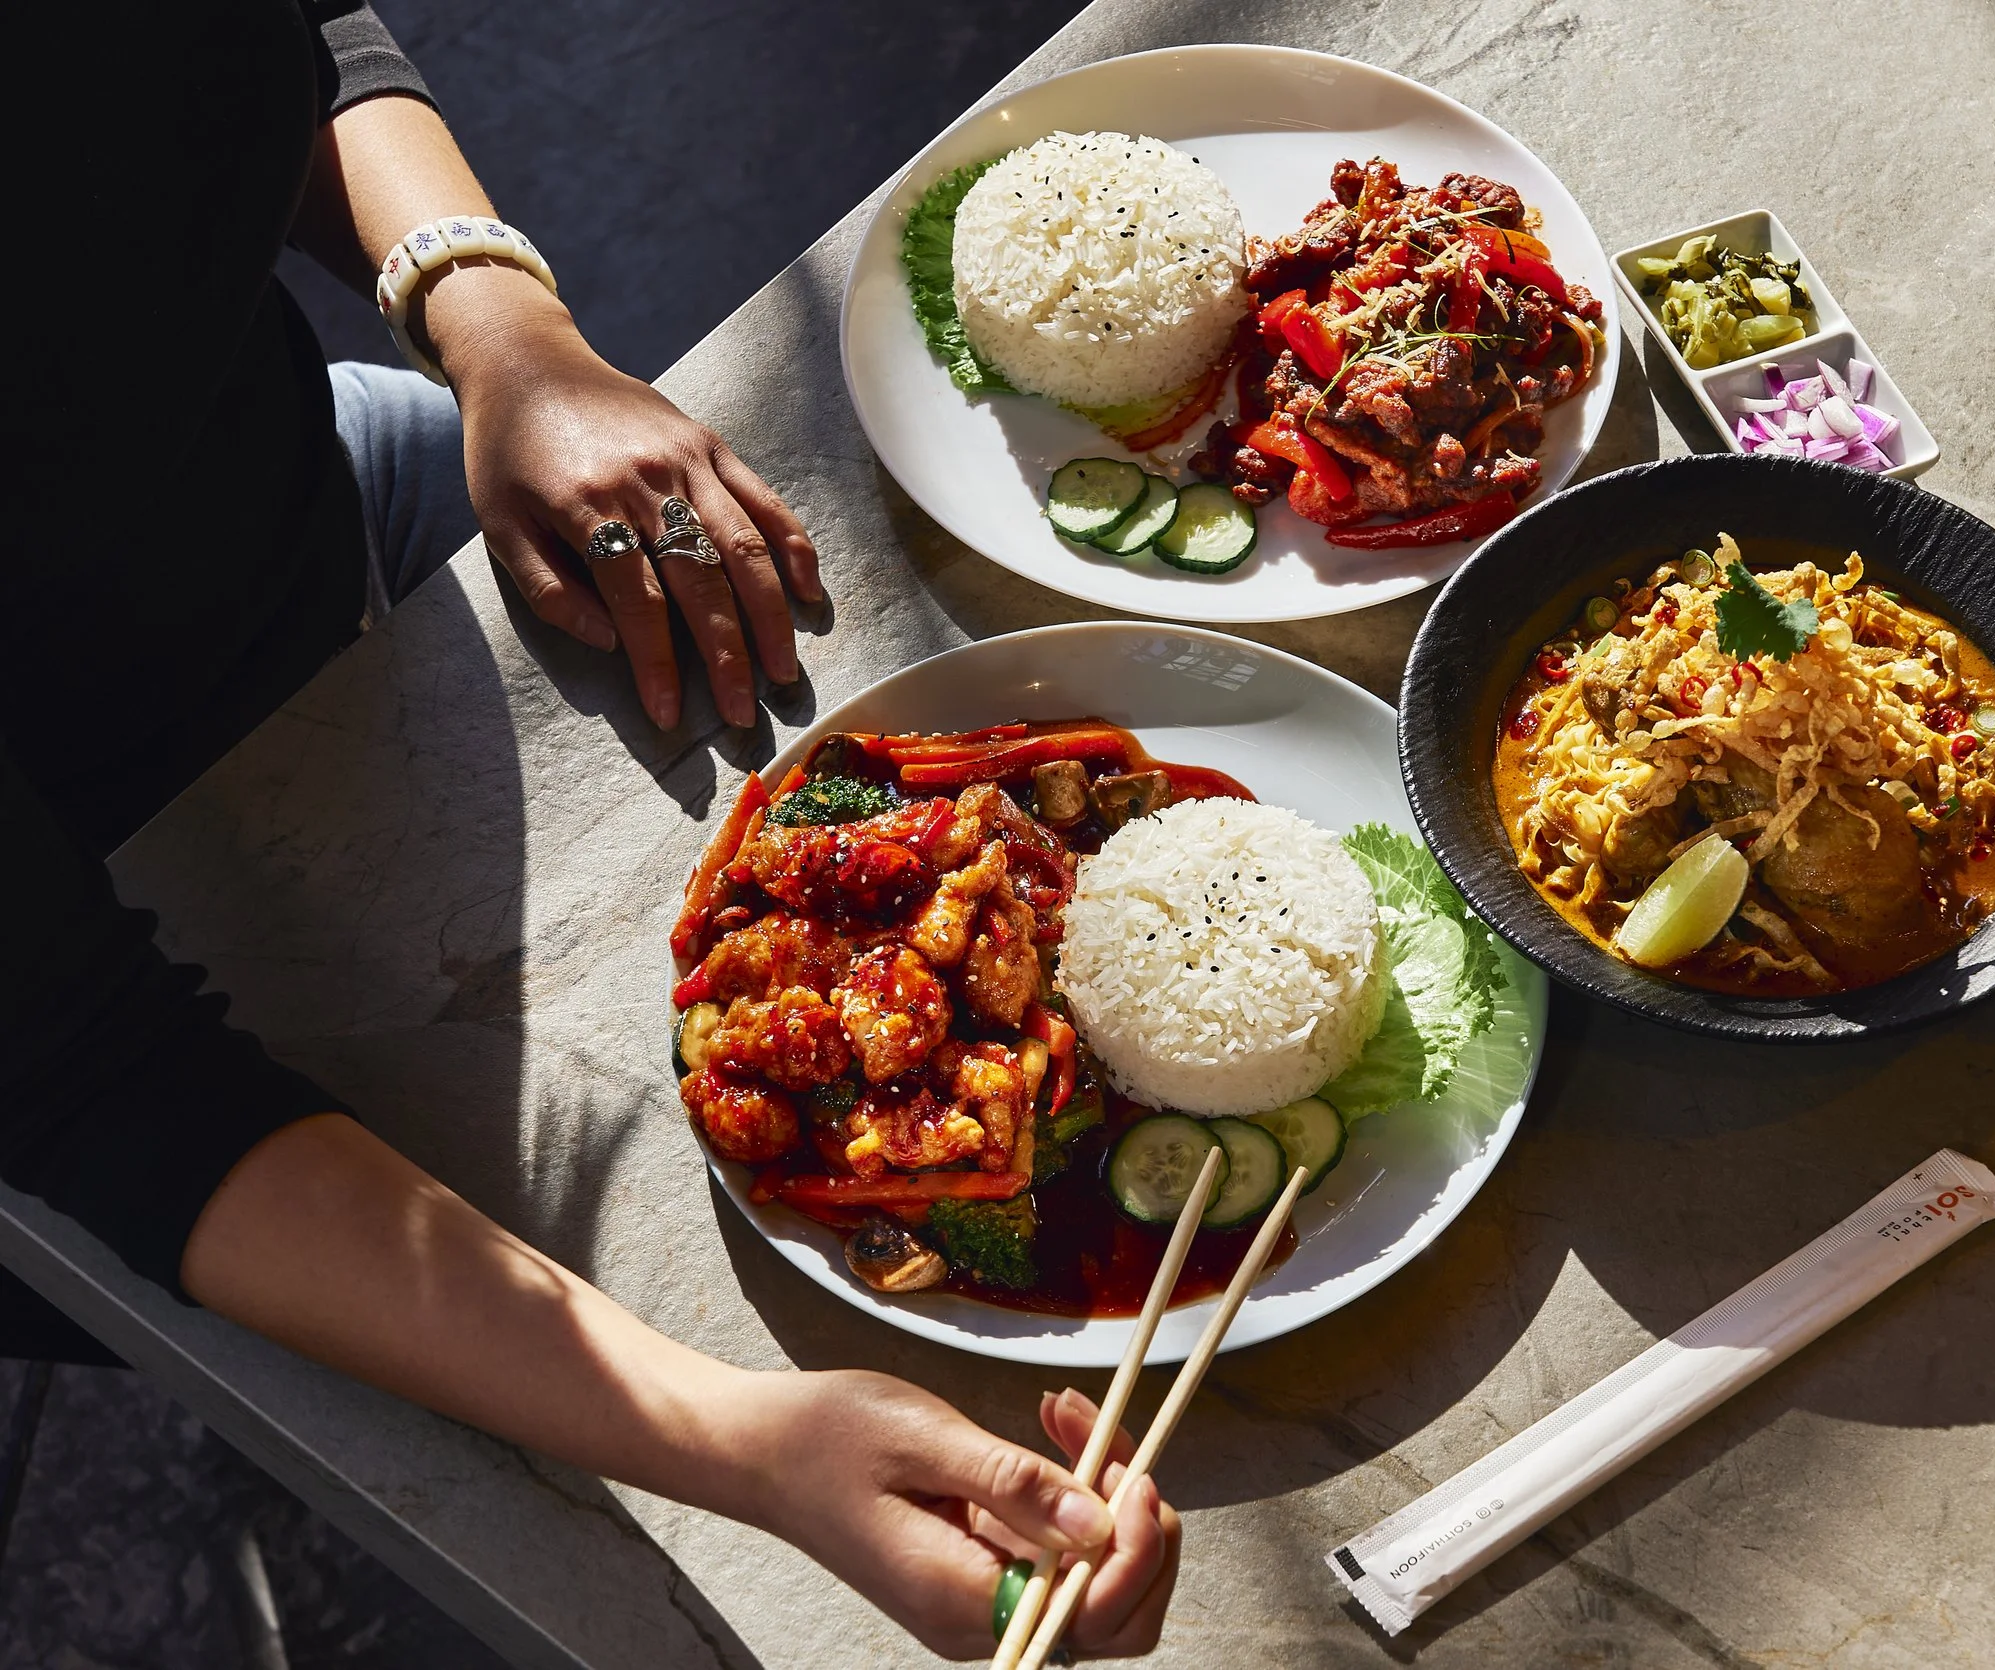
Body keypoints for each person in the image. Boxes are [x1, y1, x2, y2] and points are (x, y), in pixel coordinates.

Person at [0, 2, 1178, 1657]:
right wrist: (746, 1442)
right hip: (93, 977)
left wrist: (501, 334)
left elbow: (288, 45)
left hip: (335, 489)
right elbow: (83, 1086)